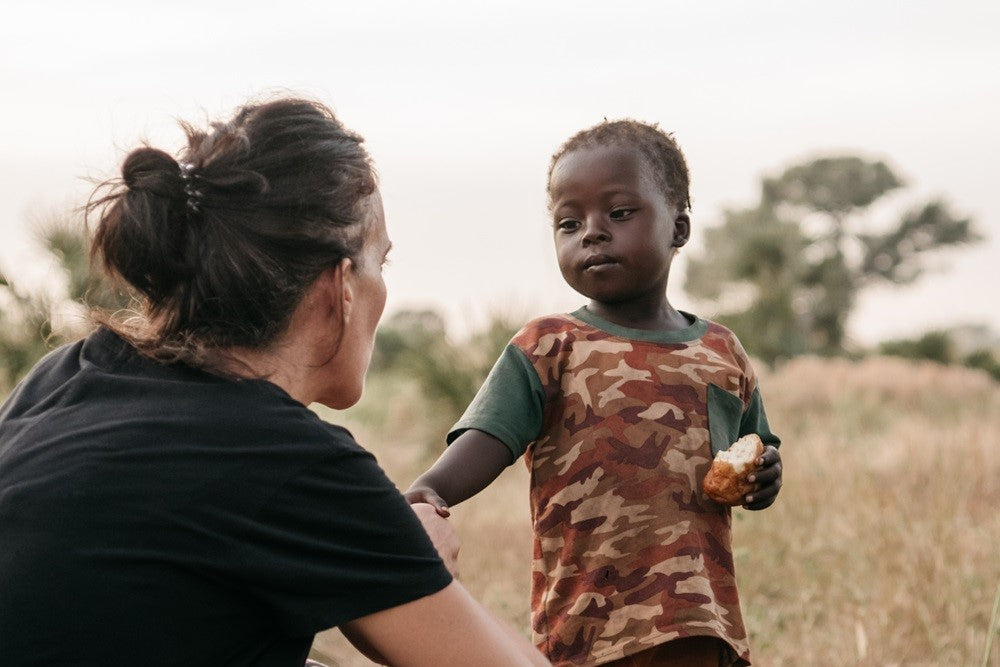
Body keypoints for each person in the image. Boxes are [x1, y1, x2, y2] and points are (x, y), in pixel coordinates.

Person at [0, 98, 549, 667]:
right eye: (380, 263)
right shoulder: (289, 461)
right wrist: (425, 567)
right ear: (341, 285)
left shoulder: (68, 373)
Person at [405, 120, 783, 667]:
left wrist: (766, 476)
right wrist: (430, 491)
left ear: (678, 228)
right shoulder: (548, 346)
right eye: (569, 223)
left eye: (619, 213)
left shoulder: (722, 352)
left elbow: (753, 453)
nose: (592, 233)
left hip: (701, 625)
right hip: (587, 633)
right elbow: (487, 441)